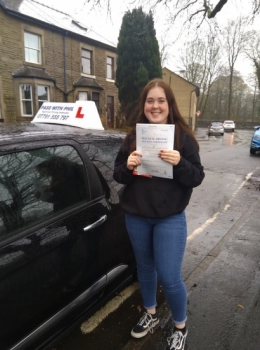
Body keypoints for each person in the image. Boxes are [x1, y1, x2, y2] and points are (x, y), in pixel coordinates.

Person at [113, 78, 205, 350]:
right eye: (150, 101)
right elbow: (118, 173)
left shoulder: (183, 138)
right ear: (144, 105)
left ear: (169, 104)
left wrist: (180, 162)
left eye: (161, 100)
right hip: (137, 216)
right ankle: (150, 312)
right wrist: (128, 166)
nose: (155, 106)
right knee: (144, 268)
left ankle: (180, 325)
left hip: (170, 218)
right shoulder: (132, 137)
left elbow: (197, 177)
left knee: (169, 275)